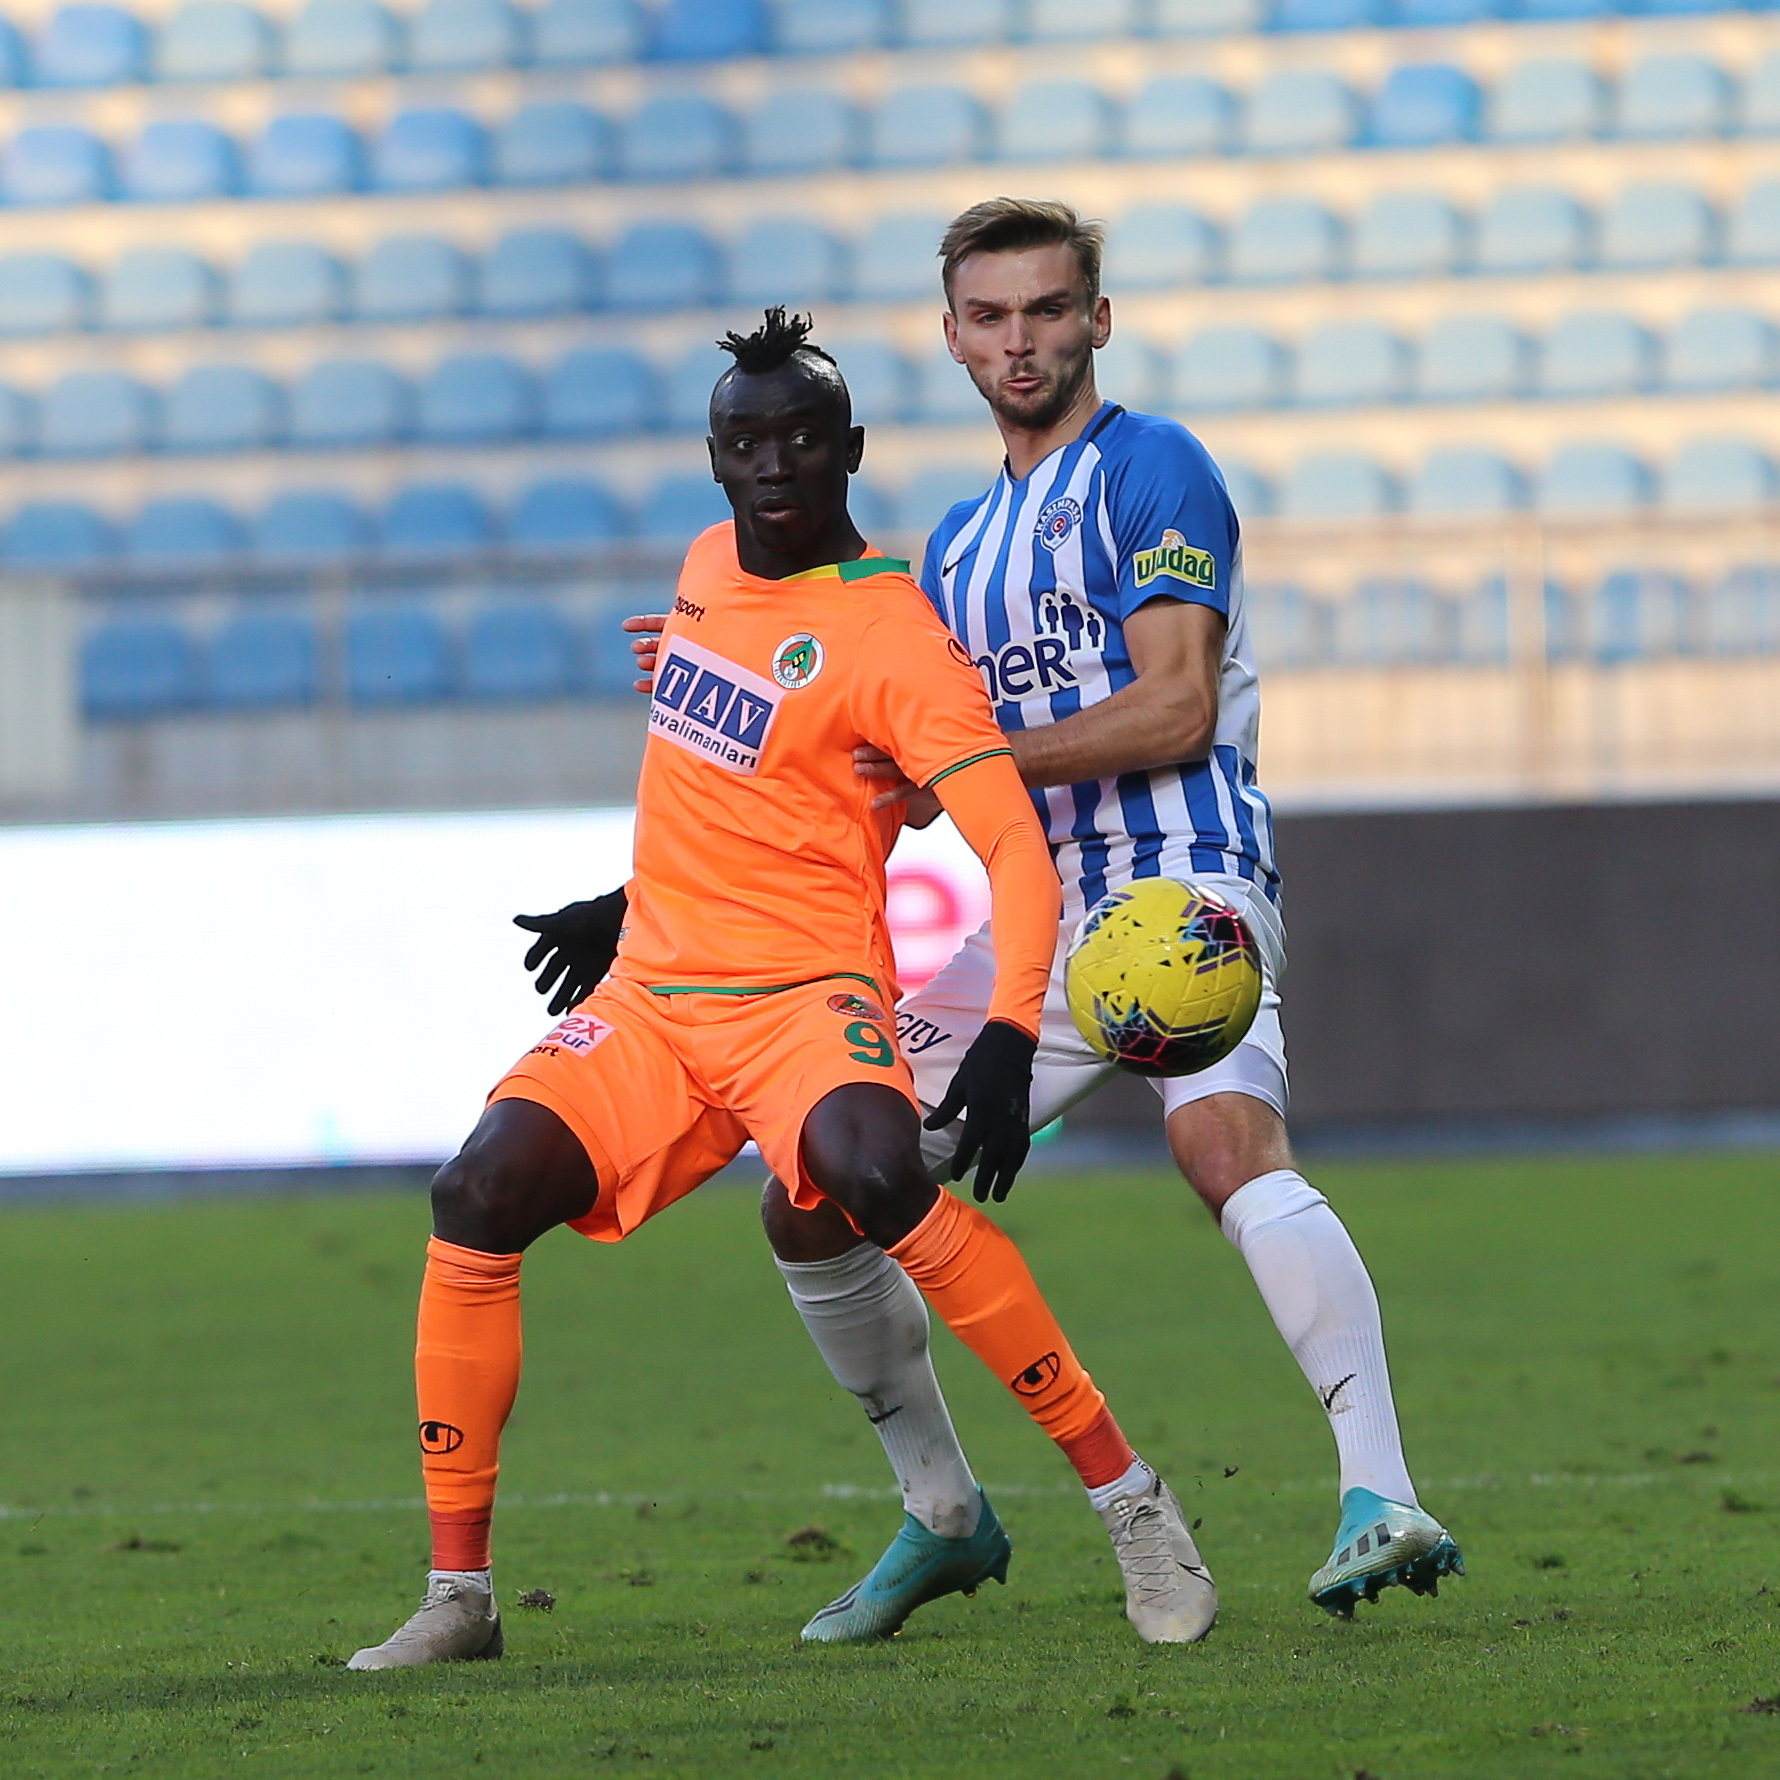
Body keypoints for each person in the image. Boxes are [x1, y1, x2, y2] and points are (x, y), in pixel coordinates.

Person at [596, 202, 1463, 1636]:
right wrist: (725, 702)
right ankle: (943, 1513)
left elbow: (1176, 705)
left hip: (1181, 882)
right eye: (991, 317)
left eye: (1049, 310)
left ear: (1096, 322)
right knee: (812, 1197)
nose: (1021, 341)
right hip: (1035, 916)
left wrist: (972, 760)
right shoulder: (952, 553)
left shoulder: (1153, 468)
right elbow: (888, 780)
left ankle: (1380, 1490)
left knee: (1220, 1144)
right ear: (952, 337)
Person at [346, 308, 1215, 1671]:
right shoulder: (705, 568)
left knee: (875, 1174)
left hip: (807, 997)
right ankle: (461, 1596)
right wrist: (625, 901)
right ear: (714, 459)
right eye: (746, 443)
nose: (773, 465)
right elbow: (734, 772)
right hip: (656, 996)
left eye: (802, 438)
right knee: (478, 1189)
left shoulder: (894, 638)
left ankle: (1132, 1505)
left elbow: (1009, 848)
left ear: (849, 449)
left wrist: (1004, 1035)